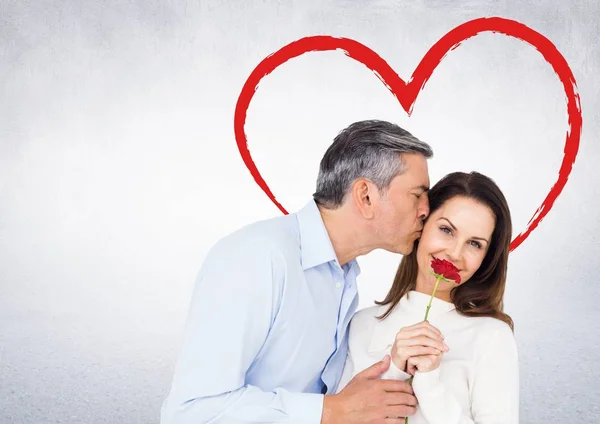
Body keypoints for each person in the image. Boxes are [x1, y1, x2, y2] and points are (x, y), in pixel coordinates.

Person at [160, 120, 435, 423]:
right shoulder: (257, 258)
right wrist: (332, 410)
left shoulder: (343, 277)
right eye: (417, 194)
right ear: (365, 196)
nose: (426, 210)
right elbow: (192, 411)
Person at [337, 171, 519, 423]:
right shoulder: (362, 324)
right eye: (446, 229)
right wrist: (395, 369)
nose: (455, 253)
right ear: (421, 225)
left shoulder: (492, 336)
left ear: (486, 259)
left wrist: (430, 382)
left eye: (475, 244)